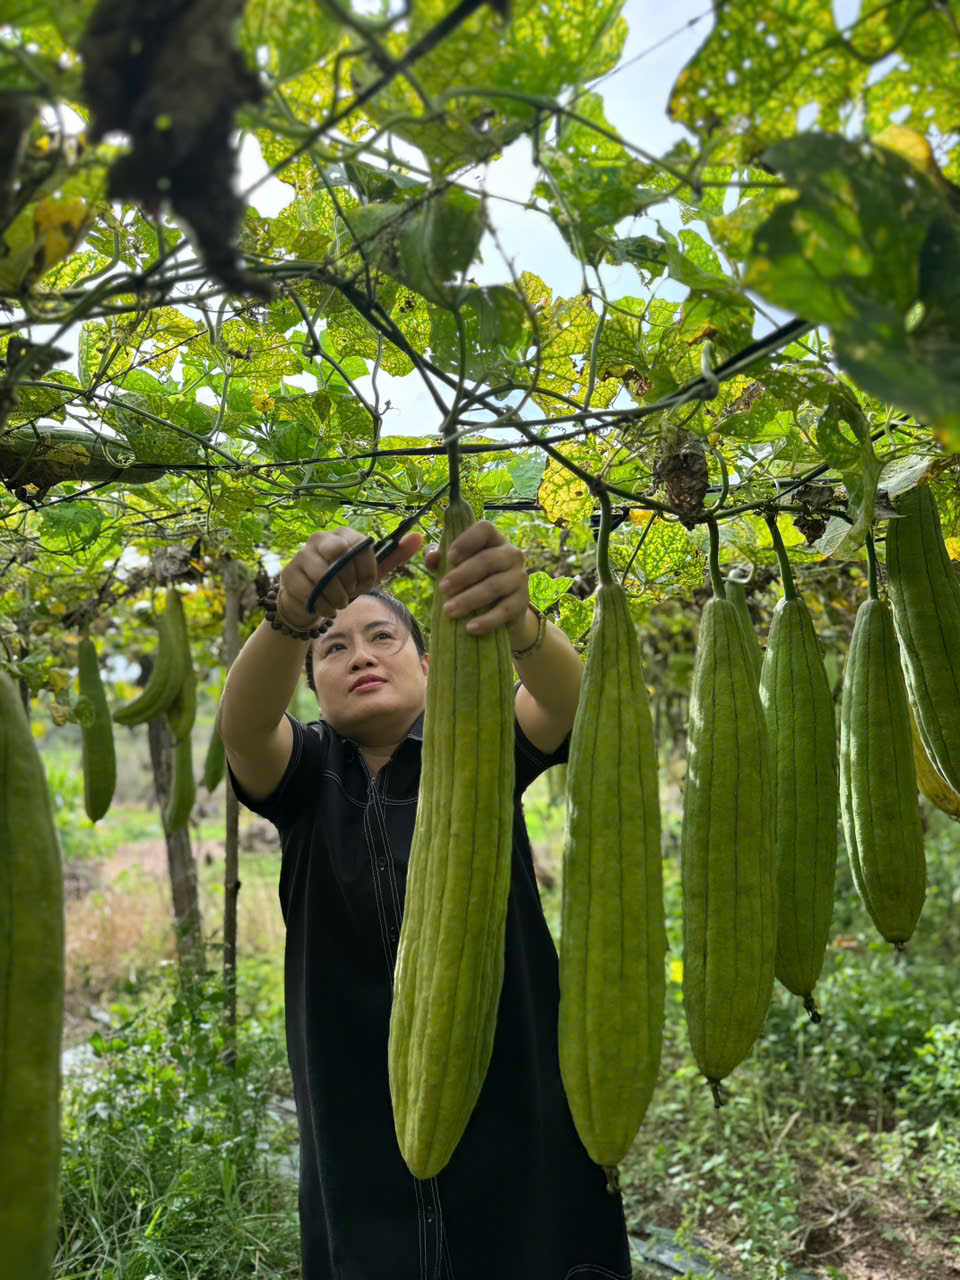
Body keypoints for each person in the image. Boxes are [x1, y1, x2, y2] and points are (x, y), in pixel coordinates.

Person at [218, 519, 633, 1280]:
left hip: (507, 1071)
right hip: (356, 1094)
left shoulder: (479, 743)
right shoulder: (308, 775)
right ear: (310, 687)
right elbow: (243, 731)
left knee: (527, 1242)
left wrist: (519, 622)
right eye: (332, 649)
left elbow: (570, 704)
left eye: (383, 638)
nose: (360, 656)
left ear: (432, 664)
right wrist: (289, 620)